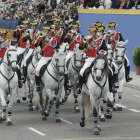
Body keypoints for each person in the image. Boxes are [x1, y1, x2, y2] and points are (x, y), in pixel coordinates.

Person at [75, 26, 108, 95]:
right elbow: (80, 48)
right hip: (89, 59)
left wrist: (102, 54)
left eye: (92, 32)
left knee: (109, 71)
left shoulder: (100, 40)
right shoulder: (87, 39)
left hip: (98, 59)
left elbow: (106, 50)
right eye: (90, 32)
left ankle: (110, 87)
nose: (90, 33)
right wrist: (83, 41)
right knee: (82, 72)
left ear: (95, 33)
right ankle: (79, 87)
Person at [35, 26, 59, 92]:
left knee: (64, 69)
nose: (44, 32)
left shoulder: (54, 39)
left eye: (46, 31)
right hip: (44, 58)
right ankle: (38, 85)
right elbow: (35, 45)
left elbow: (58, 47)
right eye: (44, 31)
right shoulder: (41, 39)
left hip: (52, 58)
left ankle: (64, 84)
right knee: (37, 70)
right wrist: (39, 38)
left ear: (49, 32)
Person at [63, 22, 83, 91]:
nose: (74, 29)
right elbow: (65, 40)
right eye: (73, 28)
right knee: (65, 61)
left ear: (77, 29)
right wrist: (68, 34)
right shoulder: (69, 34)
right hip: (71, 51)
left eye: (75, 28)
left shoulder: (80, 36)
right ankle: (67, 79)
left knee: (84, 61)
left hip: (78, 52)